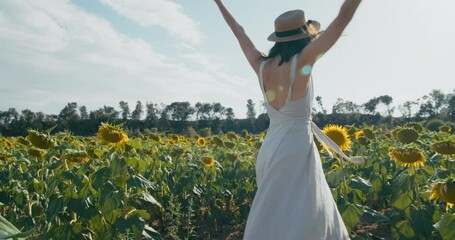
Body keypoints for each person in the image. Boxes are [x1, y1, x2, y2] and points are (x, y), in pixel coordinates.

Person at [214, 0, 364, 239]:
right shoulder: (303, 60)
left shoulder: (261, 65)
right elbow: (343, 17)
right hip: (295, 146)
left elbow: (239, 31)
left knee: (273, 215)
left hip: (271, 146)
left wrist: (218, 3)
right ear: (303, 37)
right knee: (305, 216)